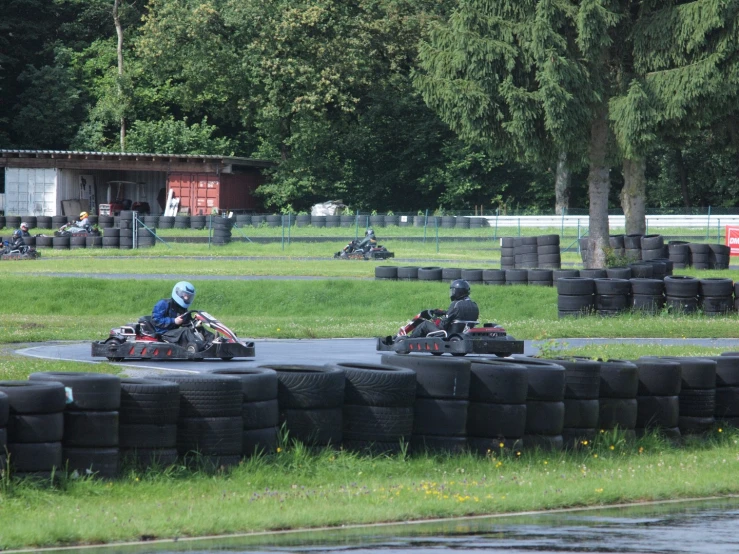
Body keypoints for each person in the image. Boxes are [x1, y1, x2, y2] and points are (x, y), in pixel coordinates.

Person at [151, 281, 213, 352]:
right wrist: (174, 321)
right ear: (178, 293)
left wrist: (196, 321)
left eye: (189, 296)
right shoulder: (163, 304)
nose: (186, 298)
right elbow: (156, 320)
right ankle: (203, 345)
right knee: (185, 331)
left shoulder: (182, 308)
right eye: (185, 295)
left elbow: (188, 323)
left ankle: (214, 340)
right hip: (163, 333)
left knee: (198, 328)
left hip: (175, 332)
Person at [408, 279, 480, 338]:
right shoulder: (474, 305)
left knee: (425, 324)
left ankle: (409, 341)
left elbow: (443, 325)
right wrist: (444, 313)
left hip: (448, 334)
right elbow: (460, 315)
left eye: (453, 291)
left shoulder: (455, 304)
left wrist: (435, 320)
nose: (452, 293)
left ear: (458, 291)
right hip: (465, 333)